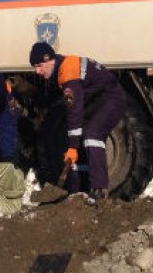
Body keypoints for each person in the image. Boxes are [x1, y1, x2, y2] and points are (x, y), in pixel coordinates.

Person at [29, 42, 125, 205]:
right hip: (96, 101)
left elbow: (74, 111)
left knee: (91, 134)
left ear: (50, 60)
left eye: (39, 66)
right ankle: (78, 190)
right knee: (76, 138)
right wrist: (73, 144)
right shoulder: (60, 69)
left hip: (111, 99)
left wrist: (73, 147)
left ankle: (99, 189)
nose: (37, 71)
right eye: (35, 67)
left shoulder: (68, 71)